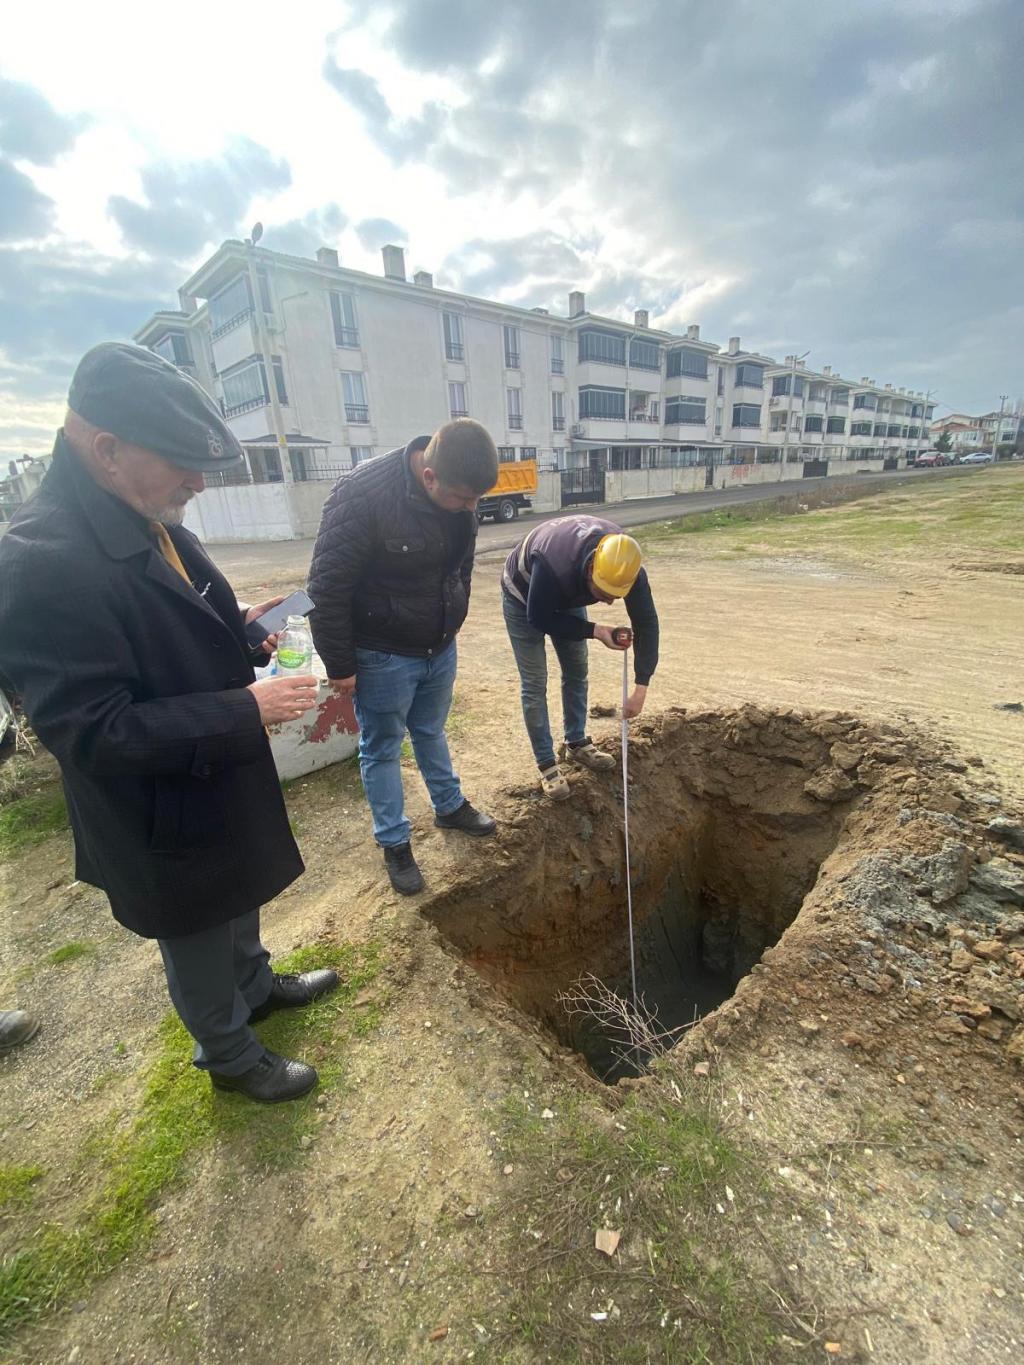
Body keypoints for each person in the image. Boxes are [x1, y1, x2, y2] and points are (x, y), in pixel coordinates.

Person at [0, 343, 337, 1105]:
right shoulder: (40, 560)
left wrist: (246, 626)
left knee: (238, 893)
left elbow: (178, 611)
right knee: (194, 934)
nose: (200, 480)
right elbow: (91, 731)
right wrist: (241, 709)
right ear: (107, 448)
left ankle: (254, 989)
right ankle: (227, 1052)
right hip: (157, 803)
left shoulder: (142, 508)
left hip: (214, 772)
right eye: (182, 461)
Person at [308, 420, 498, 895]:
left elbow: (462, 566)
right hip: (383, 653)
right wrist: (341, 666)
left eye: (476, 500)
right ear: (429, 476)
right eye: (462, 498)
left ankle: (449, 807)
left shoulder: (462, 497)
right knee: (383, 747)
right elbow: (327, 587)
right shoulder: (364, 494)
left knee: (431, 728)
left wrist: (453, 620)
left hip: (439, 646)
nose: (470, 509)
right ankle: (395, 842)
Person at [502, 514, 660, 799]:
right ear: (591, 570)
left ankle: (576, 743)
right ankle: (547, 764)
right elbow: (538, 618)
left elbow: (646, 623)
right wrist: (596, 630)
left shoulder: (625, 567)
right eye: (603, 593)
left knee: (577, 667)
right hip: (524, 596)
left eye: (616, 595)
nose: (610, 601)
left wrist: (641, 687)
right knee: (535, 681)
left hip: (567, 591)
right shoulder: (554, 566)